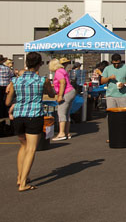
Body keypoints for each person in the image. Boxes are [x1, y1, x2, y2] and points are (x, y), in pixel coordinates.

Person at [9, 52, 56, 192]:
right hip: (34, 114)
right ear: (39, 64)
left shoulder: (15, 81)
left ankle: (20, 177)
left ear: (26, 64)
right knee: (31, 148)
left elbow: (7, 101)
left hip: (18, 115)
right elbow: (52, 94)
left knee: (23, 146)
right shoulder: (42, 80)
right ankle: (23, 182)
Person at [48, 59, 76, 141]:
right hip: (71, 91)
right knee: (66, 113)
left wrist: (60, 95)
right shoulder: (62, 70)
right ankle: (66, 132)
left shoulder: (58, 72)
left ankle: (61, 133)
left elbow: (62, 82)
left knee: (61, 112)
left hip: (66, 92)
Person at [0, 55, 13, 119]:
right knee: (5, 101)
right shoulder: (7, 68)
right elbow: (12, 76)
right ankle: (5, 114)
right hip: (6, 86)